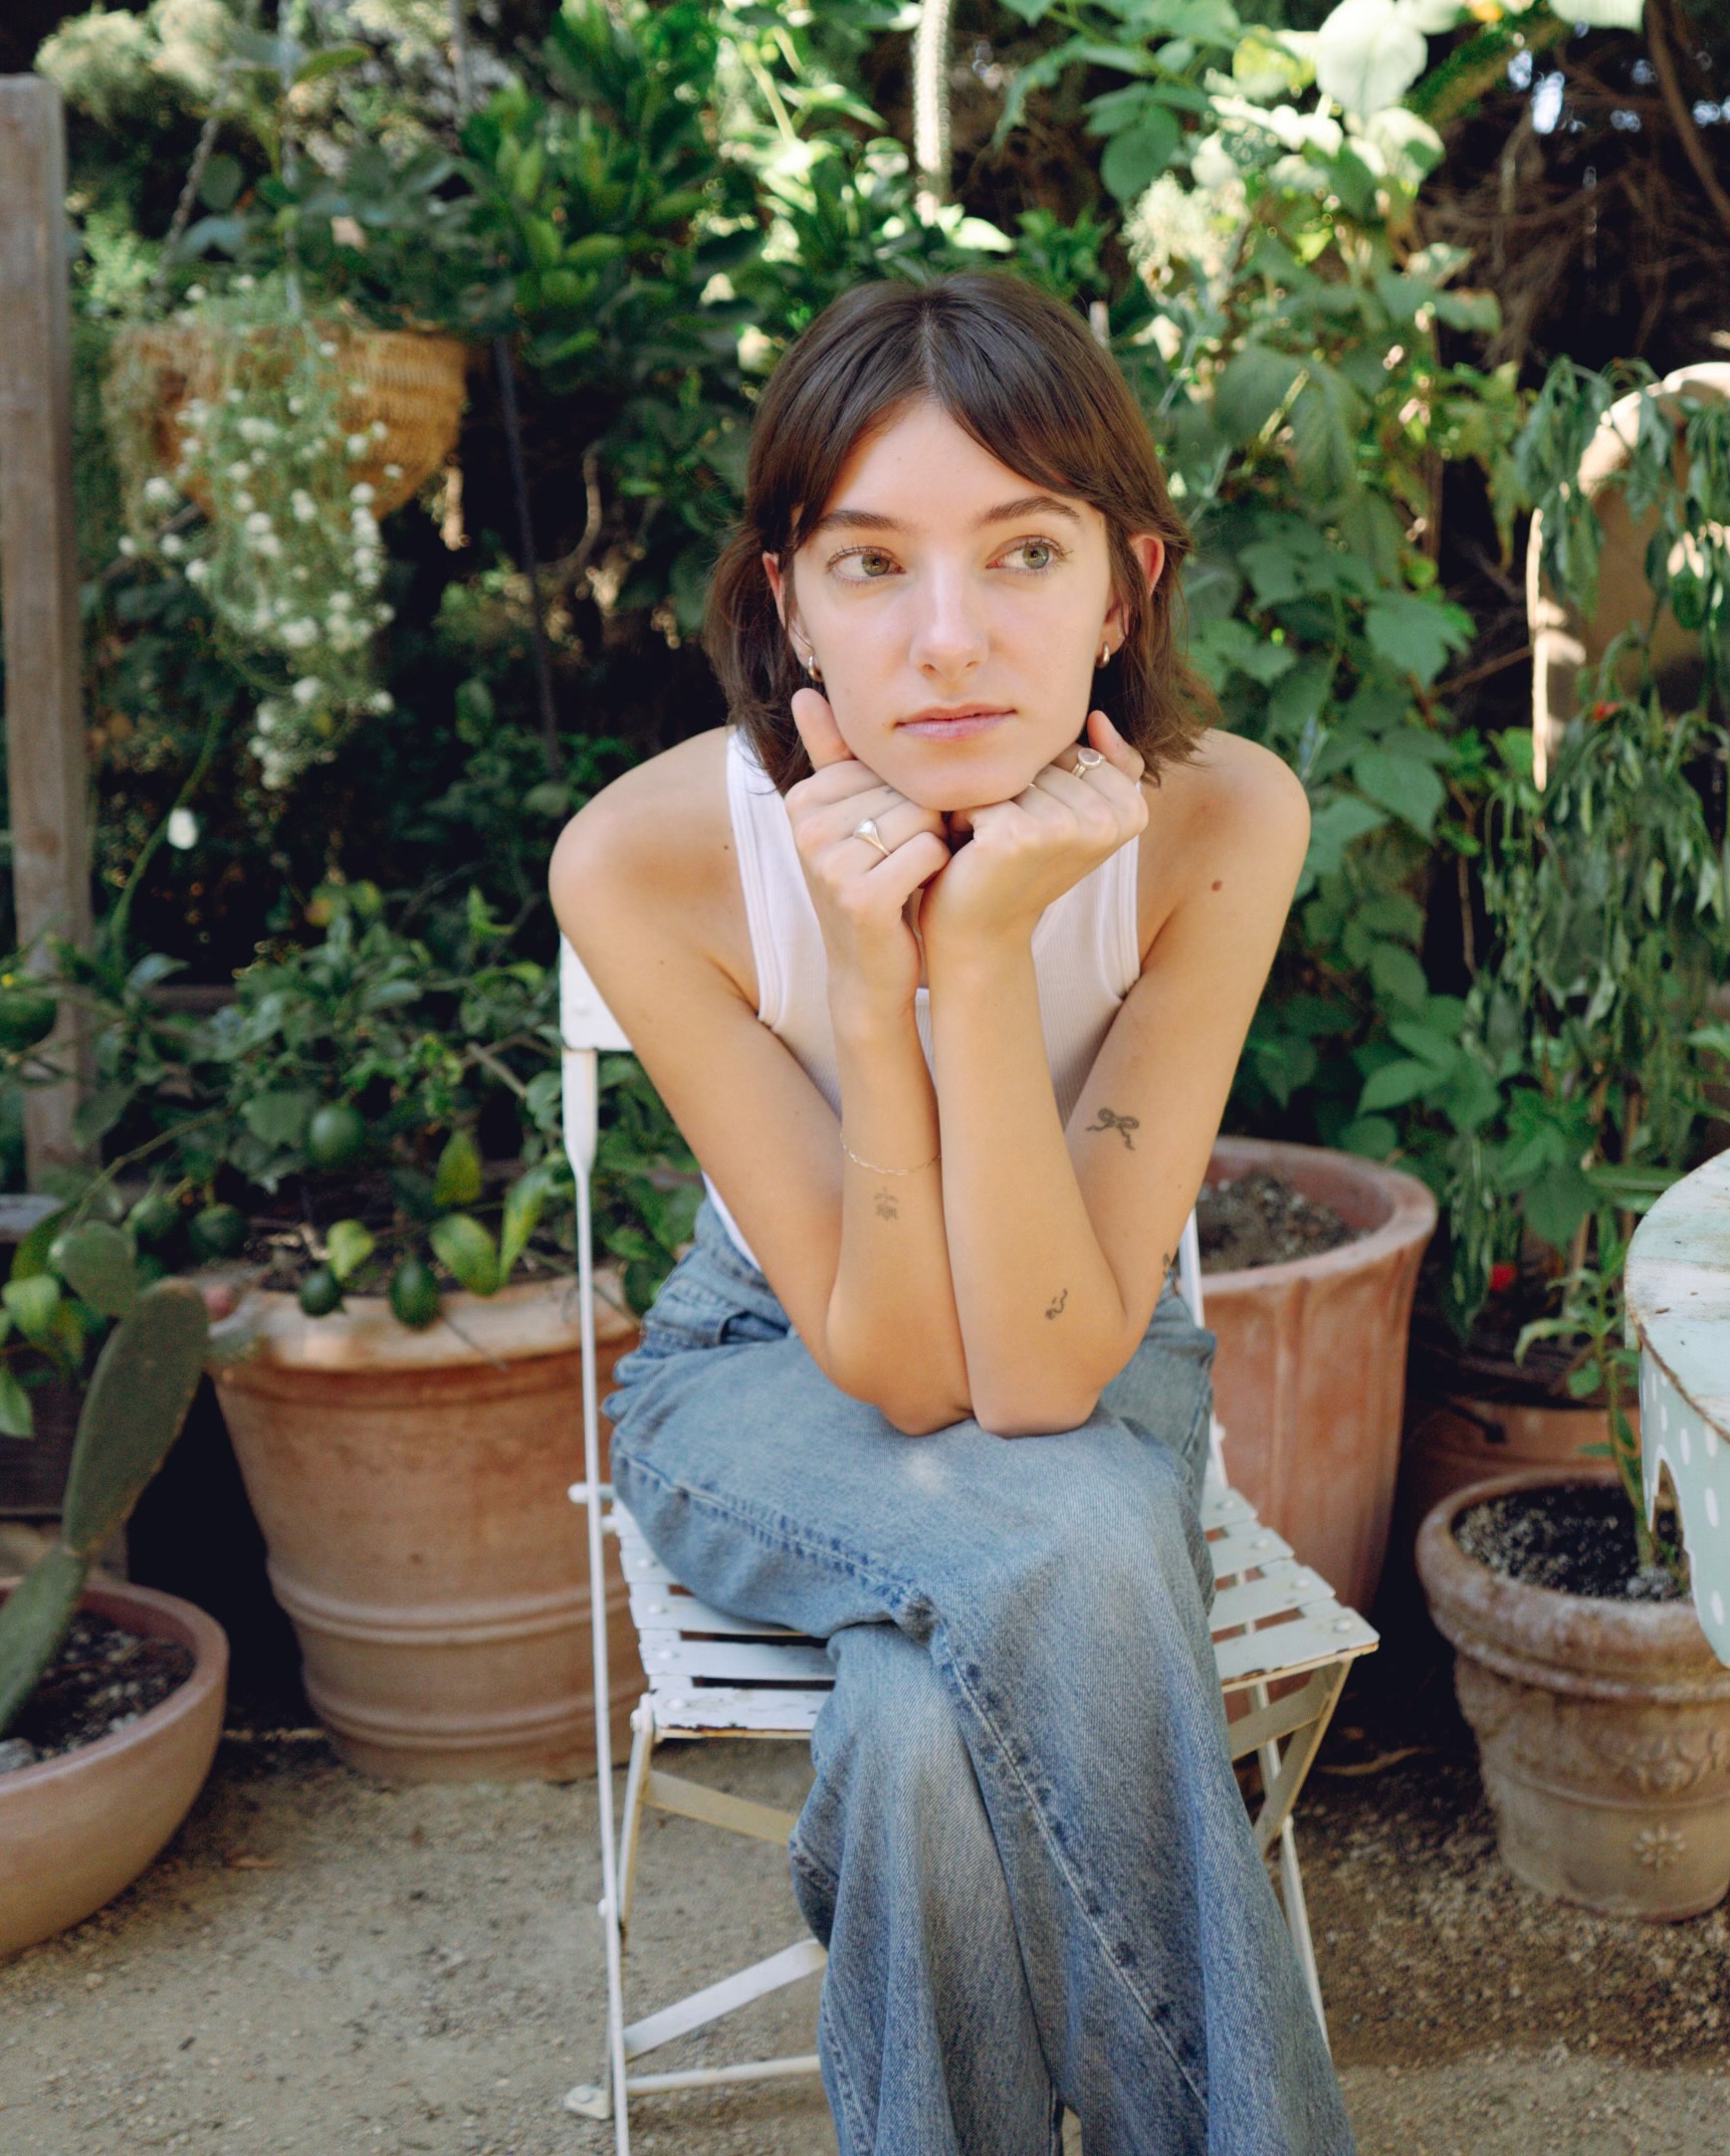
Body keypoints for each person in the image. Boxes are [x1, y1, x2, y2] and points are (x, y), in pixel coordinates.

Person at [551, 270, 1355, 2156]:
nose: (947, 640)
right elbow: (911, 1381)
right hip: (761, 1365)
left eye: (1023, 554)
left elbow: (1050, 1373)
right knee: (1075, 1535)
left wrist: (979, 959)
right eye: (869, 564)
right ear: (786, 602)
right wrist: (869, 978)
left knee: (922, 1740)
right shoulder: (647, 859)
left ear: (1125, 589)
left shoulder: (1223, 819)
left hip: (1094, 1324)